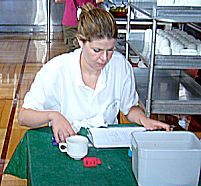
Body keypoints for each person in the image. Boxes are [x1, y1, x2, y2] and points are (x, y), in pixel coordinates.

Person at [18, 3, 170, 144]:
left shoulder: (120, 65)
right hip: (68, 144)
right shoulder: (56, 70)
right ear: (80, 41)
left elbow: (130, 108)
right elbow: (24, 116)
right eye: (97, 50)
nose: (104, 58)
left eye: (110, 50)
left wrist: (144, 119)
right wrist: (53, 116)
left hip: (106, 144)